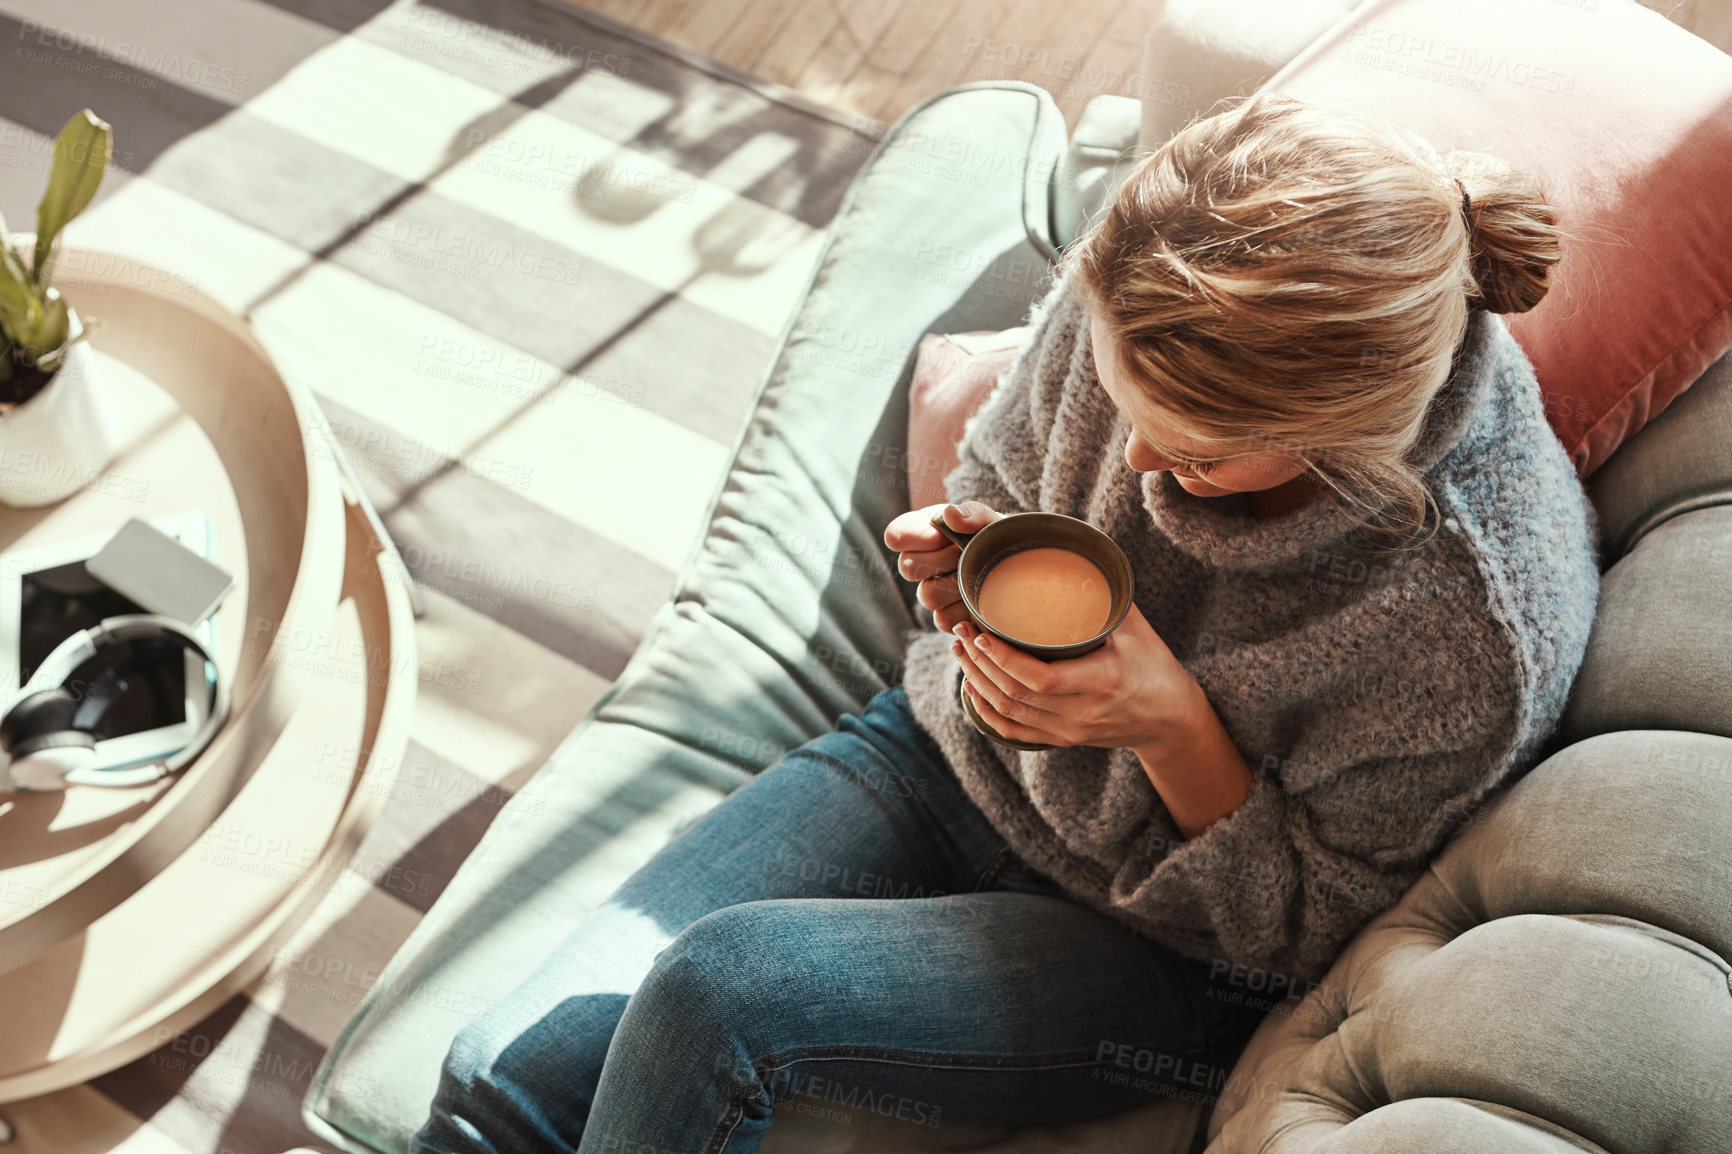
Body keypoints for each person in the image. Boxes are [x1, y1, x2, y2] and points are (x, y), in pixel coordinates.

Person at [409, 90, 1599, 1154]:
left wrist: (1174, 728)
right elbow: (1011, 463)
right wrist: (962, 565)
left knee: (721, 992)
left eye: (1191, 454)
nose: (1132, 462)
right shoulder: (1142, 292)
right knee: (497, 1073)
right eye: (1125, 401)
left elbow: (1297, 937)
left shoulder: (1468, 626)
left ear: (1341, 438)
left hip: (1157, 946)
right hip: (942, 752)